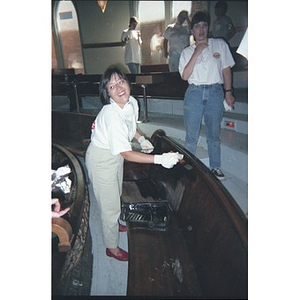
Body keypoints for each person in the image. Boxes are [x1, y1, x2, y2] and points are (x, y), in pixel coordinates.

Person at [85, 67, 183, 261]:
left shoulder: (131, 102)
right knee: (109, 205)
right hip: (101, 160)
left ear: (127, 83)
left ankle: (113, 222)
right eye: (111, 86)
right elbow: (127, 154)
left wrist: (141, 138)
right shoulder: (111, 116)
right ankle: (111, 247)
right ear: (108, 94)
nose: (118, 88)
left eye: (120, 81)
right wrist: (160, 159)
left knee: (115, 194)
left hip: (114, 156)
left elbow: (130, 126)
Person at [178, 11, 235, 180]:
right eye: (197, 26)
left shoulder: (219, 44)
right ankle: (188, 167)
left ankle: (215, 166)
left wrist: (228, 92)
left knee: (213, 134)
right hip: (194, 93)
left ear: (208, 27)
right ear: (192, 31)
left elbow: (226, 69)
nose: (201, 30)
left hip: (215, 92)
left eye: (204, 25)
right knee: (191, 135)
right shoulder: (187, 52)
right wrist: (197, 52)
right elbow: (185, 76)